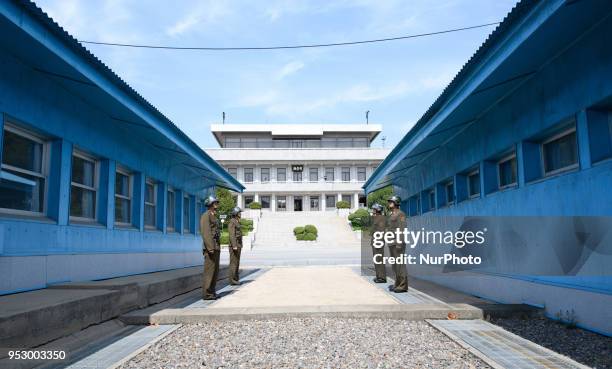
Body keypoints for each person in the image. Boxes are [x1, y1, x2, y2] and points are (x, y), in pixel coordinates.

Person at [200, 195, 221, 300]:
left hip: (216, 246)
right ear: (211, 204)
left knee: (215, 271)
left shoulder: (214, 215)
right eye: (215, 202)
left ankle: (212, 292)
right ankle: (207, 293)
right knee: (209, 271)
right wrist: (210, 247)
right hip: (211, 247)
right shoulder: (206, 215)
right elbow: (206, 232)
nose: (217, 204)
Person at [386, 195, 408, 293]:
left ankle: (403, 286)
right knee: (395, 266)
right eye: (389, 201)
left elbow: (402, 229)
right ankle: (397, 284)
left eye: (391, 201)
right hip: (392, 242)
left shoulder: (401, 214)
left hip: (398, 243)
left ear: (396, 203)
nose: (389, 203)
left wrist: (399, 243)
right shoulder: (391, 214)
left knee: (400, 265)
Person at [370, 203, 387, 283]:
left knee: (379, 260)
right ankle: (378, 276)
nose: (372, 210)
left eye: (374, 209)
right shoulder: (376, 218)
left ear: (377, 210)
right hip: (375, 241)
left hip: (378, 242)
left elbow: (381, 231)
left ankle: (382, 278)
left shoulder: (381, 218)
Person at [227, 206, 243, 285]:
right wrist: (234, 245)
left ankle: (236, 279)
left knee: (237, 262)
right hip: (235, 245)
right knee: (233, 263)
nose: (240, 214)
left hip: (238, 244)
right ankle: (232, 280)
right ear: (236, 213)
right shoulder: (232, 221)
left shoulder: (237, 221)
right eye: (239, 212)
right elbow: (231, 234)